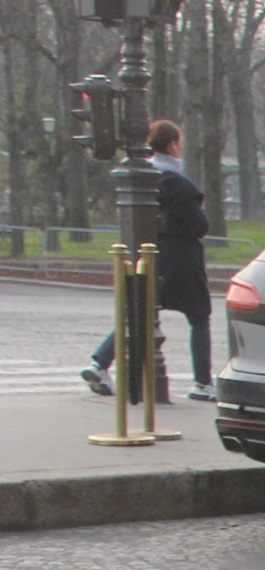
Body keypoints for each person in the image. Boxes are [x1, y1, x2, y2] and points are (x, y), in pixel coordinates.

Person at [82, 119, 212, 401]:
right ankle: (202, 382)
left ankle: (99, 363)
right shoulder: (178, 183)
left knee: (138, 313)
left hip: (148, 256)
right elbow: (198, 226)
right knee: (199, 317)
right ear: (173, 145)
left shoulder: (144, 175)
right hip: (182, 260)